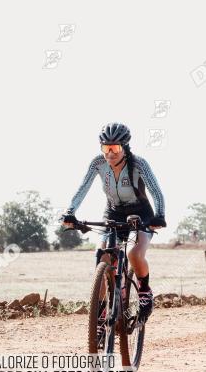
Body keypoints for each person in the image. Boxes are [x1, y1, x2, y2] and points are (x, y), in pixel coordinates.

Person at [62, 122, 166, 321]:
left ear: (125, 147)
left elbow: (156, 192)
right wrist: (70, 212)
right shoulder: (97, 164)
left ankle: (144, 292)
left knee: (134, 253)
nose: (110, 153)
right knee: (102, 258)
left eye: (115, 148)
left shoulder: (139, 164)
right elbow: (82, 188)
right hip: (113, 212)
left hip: (141, 213)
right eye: (105, 148)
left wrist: (159, 216)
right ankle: (100, 316)